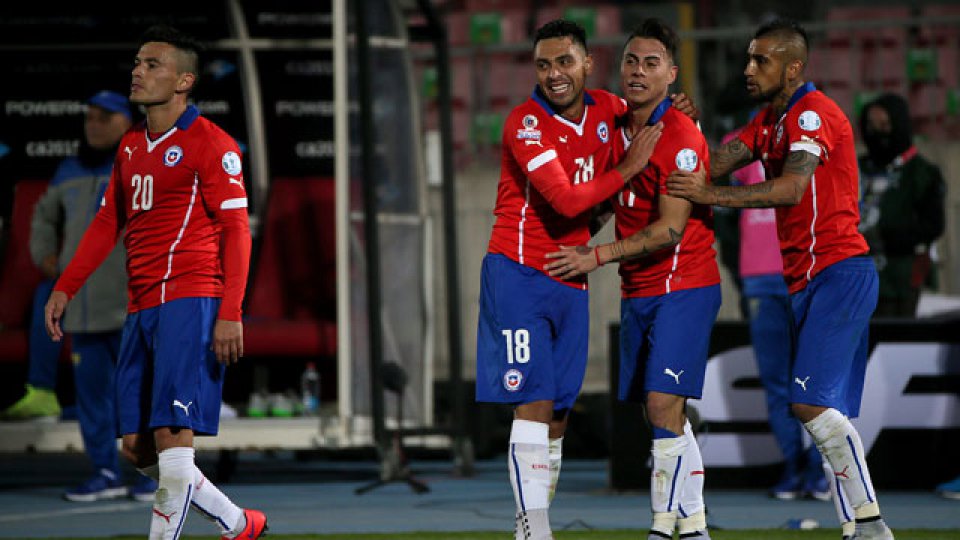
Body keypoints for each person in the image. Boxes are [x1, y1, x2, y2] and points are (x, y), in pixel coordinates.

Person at [667, 18, 893, 540]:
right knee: (825, 413)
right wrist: (687, 129)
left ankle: (871, 523)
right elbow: (711, 165)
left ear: (793, 67)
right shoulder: (767, 120)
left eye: (761, 60)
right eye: (748, 58)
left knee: (808, 403)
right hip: (806, 280)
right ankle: (856, 528)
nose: (749, 68)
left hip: (840, 271)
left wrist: (713, 197)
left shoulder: (812, 114)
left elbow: (791, 189)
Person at [44, 25, 265, 540]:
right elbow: (106, 224)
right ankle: (237, 522)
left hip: (191, 299)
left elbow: (237, 230)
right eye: (137, 63)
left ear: (184, 80)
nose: (137, 72)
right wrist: (66, 286)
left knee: (171, 437)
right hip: (141, 305)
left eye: (151, 65)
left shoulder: (212, 143)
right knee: (137, 449)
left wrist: (231, 310)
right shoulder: (129, 148)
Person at [475, 19, 661, 540]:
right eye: (542, 64)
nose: (553, 74)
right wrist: (628, 167)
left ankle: (534, 518)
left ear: (586, 64)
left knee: (558, 413)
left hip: (570, 276)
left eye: (563, 62)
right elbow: (568, 200)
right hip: (518, 275)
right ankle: (534, 529)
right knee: (533, 401)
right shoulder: (526, 123)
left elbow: (648, 112)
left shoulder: (607, 108)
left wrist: (677, 107)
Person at [545, 19, 719, 540]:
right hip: (639, 287)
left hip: (683, 283)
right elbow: (612, 199)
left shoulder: (681, 138)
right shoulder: (616, 123)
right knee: (659, 412)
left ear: (671, 73)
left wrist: (594, 256)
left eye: (651, 63)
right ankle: (695, 527)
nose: (638, 72)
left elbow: (669, 230)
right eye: (631, 61)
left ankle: (662, 528)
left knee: (663, 404)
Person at [27, 90, 160, 502]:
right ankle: (105, 471)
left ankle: (150, 474)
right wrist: (47, 257)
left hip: (130, 301)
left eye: (105, 117)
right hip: (82, 306)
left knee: (141, 392)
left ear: (127, 121)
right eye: (89, 117)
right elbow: (43, 217)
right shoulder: (70, 169)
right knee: (92, 397)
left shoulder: (144, 159)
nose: (94, 124)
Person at [721, 127, 829, 502]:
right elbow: (719, 194)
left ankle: (819, 468)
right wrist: (738, 267)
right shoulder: (745, 141)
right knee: (776, 382)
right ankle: (794, 466)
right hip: (761, 281)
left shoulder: (811, 141)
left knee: (815, 381)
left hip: (806, 273)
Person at [858, 93, 945, 318]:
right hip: (857, 278)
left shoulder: (922, 173)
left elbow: (933, 225)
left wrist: (886, 238)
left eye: (884, 125)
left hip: (901, 278)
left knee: (893, 340)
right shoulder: (858, 168)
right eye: (870, 125)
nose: (876, 132)